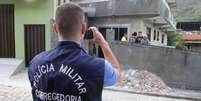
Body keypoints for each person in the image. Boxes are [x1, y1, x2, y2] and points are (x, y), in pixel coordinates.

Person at [28, 3, 121, 101]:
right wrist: (103, 43)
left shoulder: (35, 62)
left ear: (55, 28)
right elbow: (117, 75)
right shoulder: (98, 67)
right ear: (83, 28)